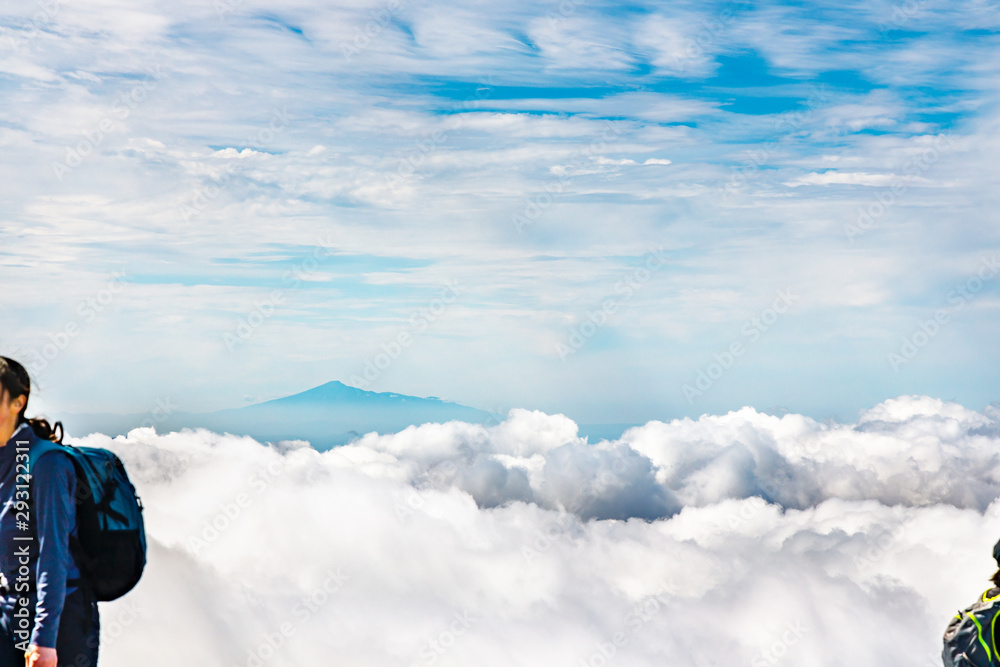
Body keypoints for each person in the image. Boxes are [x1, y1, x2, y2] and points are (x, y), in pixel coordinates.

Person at [0, 358, 99, 667]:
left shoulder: (46, 463)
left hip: (60, 619)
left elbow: (53, 554)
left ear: (18, 402)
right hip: (11, 608)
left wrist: (44, 641)